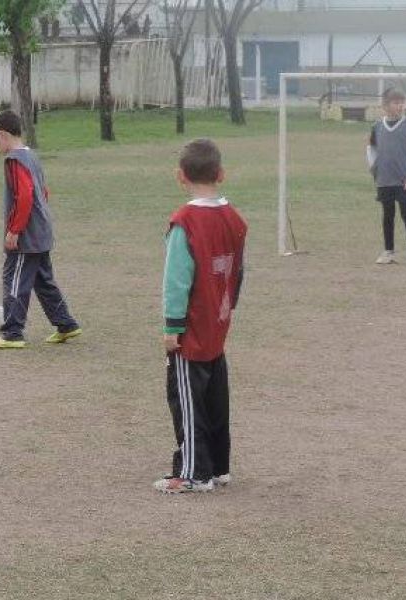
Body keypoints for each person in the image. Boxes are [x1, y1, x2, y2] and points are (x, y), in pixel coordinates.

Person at [154, 138, 247, 494]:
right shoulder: (234, 219)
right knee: (215, 395)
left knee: (186, 398)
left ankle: (194, 471)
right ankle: (219, 466)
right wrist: (228, 306)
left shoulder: (185, 222)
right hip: (219, 320)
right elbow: (239, 271)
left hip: (192, 326)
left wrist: (172, 326)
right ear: (221, 174)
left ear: (180, 176)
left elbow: (177, 280)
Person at [0, 110, 81, 349]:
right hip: (42, 229)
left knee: (14, 277)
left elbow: (24, 195)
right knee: (43, 280)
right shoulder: (31, 156)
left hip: (27, 234)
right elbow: (43, 192)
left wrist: (14, 230)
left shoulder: (14, 160)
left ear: (3, 135)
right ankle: (66, 324)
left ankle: (12, 333)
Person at [367, 87, 406, 267]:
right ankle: (388, 251)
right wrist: (374, 169)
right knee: (387, 215)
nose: (400, 106)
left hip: (404, 180)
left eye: (402, 103)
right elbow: (371, 149)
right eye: (396, 103)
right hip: (385, 180)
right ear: (385, 106)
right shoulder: (376, 127)